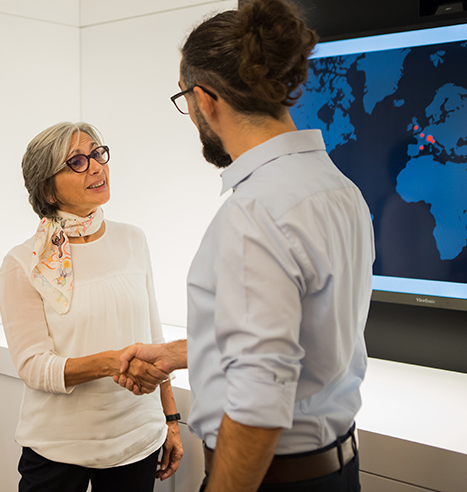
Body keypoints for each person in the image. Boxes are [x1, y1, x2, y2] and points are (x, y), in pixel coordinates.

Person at [116, 1, 375, 491]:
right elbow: (299, 339)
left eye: (184, 102)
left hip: (270, 479)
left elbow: (258, 403)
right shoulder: (341, 189)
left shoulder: (256, 214)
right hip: (337, 471)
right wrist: (177, 353)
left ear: (204, 99)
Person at [0, 121, 183, 492]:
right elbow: (35, 367)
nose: (96, 166)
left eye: (98, 153)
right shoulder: (23, 264)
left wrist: (171, 419)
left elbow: (154, 333)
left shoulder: (133, 239)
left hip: (137, 441)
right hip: (57, 449)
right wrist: (115, 362)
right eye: (77, 162)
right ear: (47, 189)